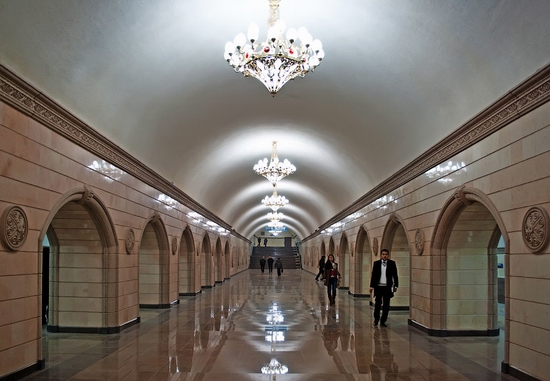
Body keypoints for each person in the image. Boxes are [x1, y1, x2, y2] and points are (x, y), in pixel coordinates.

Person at [370, 249, 398, 327]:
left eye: (386, 254)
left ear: (388, 255)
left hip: (387, 287)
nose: (384, 256)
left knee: (386, 305)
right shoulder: (376, 264)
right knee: (378, 304)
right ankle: (376, 319)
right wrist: (371, 286)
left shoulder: (392, 263)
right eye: (383, 254)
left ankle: (383, 321)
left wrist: (396, 285)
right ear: (381, 255)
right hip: (378, 287)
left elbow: (395, 275)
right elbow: (374, 275)